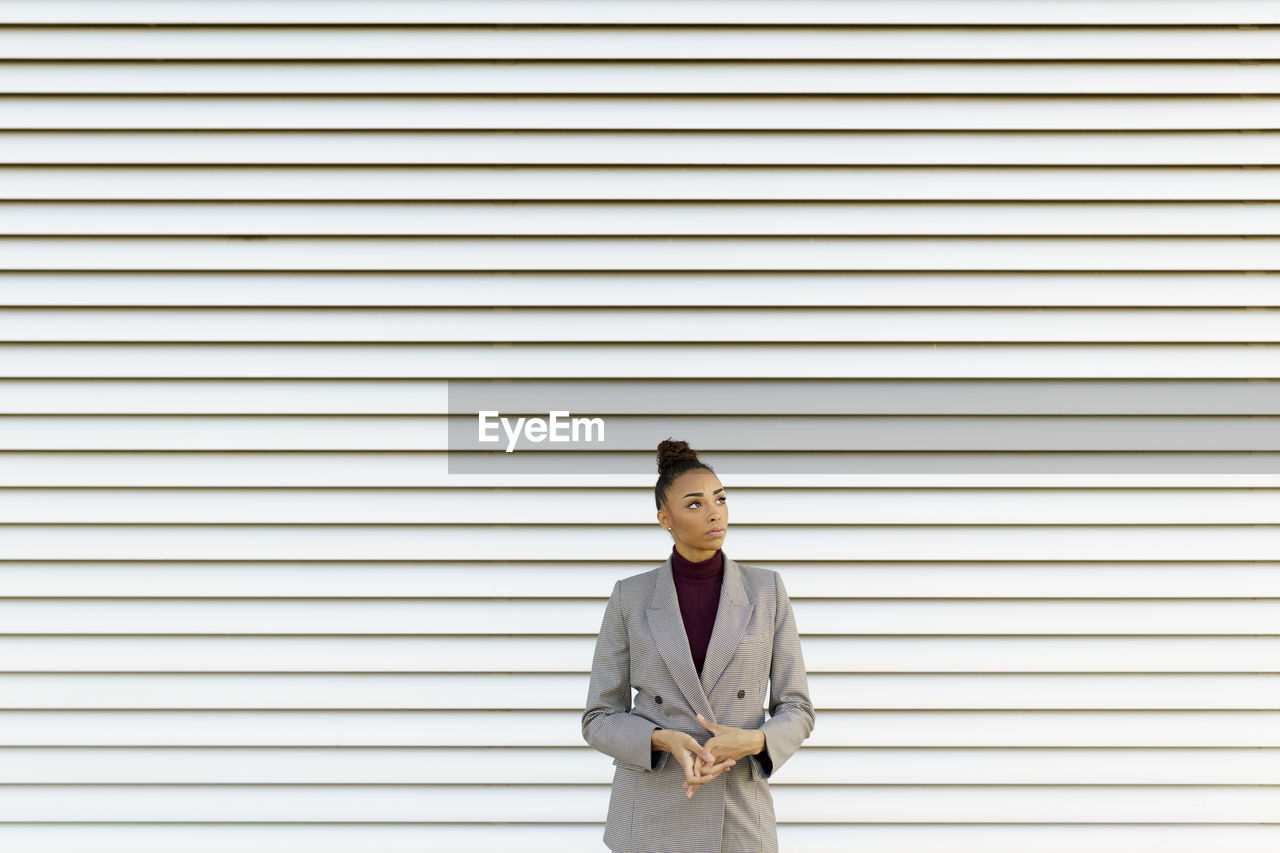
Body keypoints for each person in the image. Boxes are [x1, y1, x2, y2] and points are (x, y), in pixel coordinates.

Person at [581, 438, 816, 853]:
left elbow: (797, 708)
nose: (714, 512)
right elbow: (599, 717)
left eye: (720, 499)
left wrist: (755, 741)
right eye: (694, 504)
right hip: (651, 811)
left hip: (738, 809)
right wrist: (662, 739)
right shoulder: (630, 597)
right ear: (664, 518)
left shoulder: (768, 590)